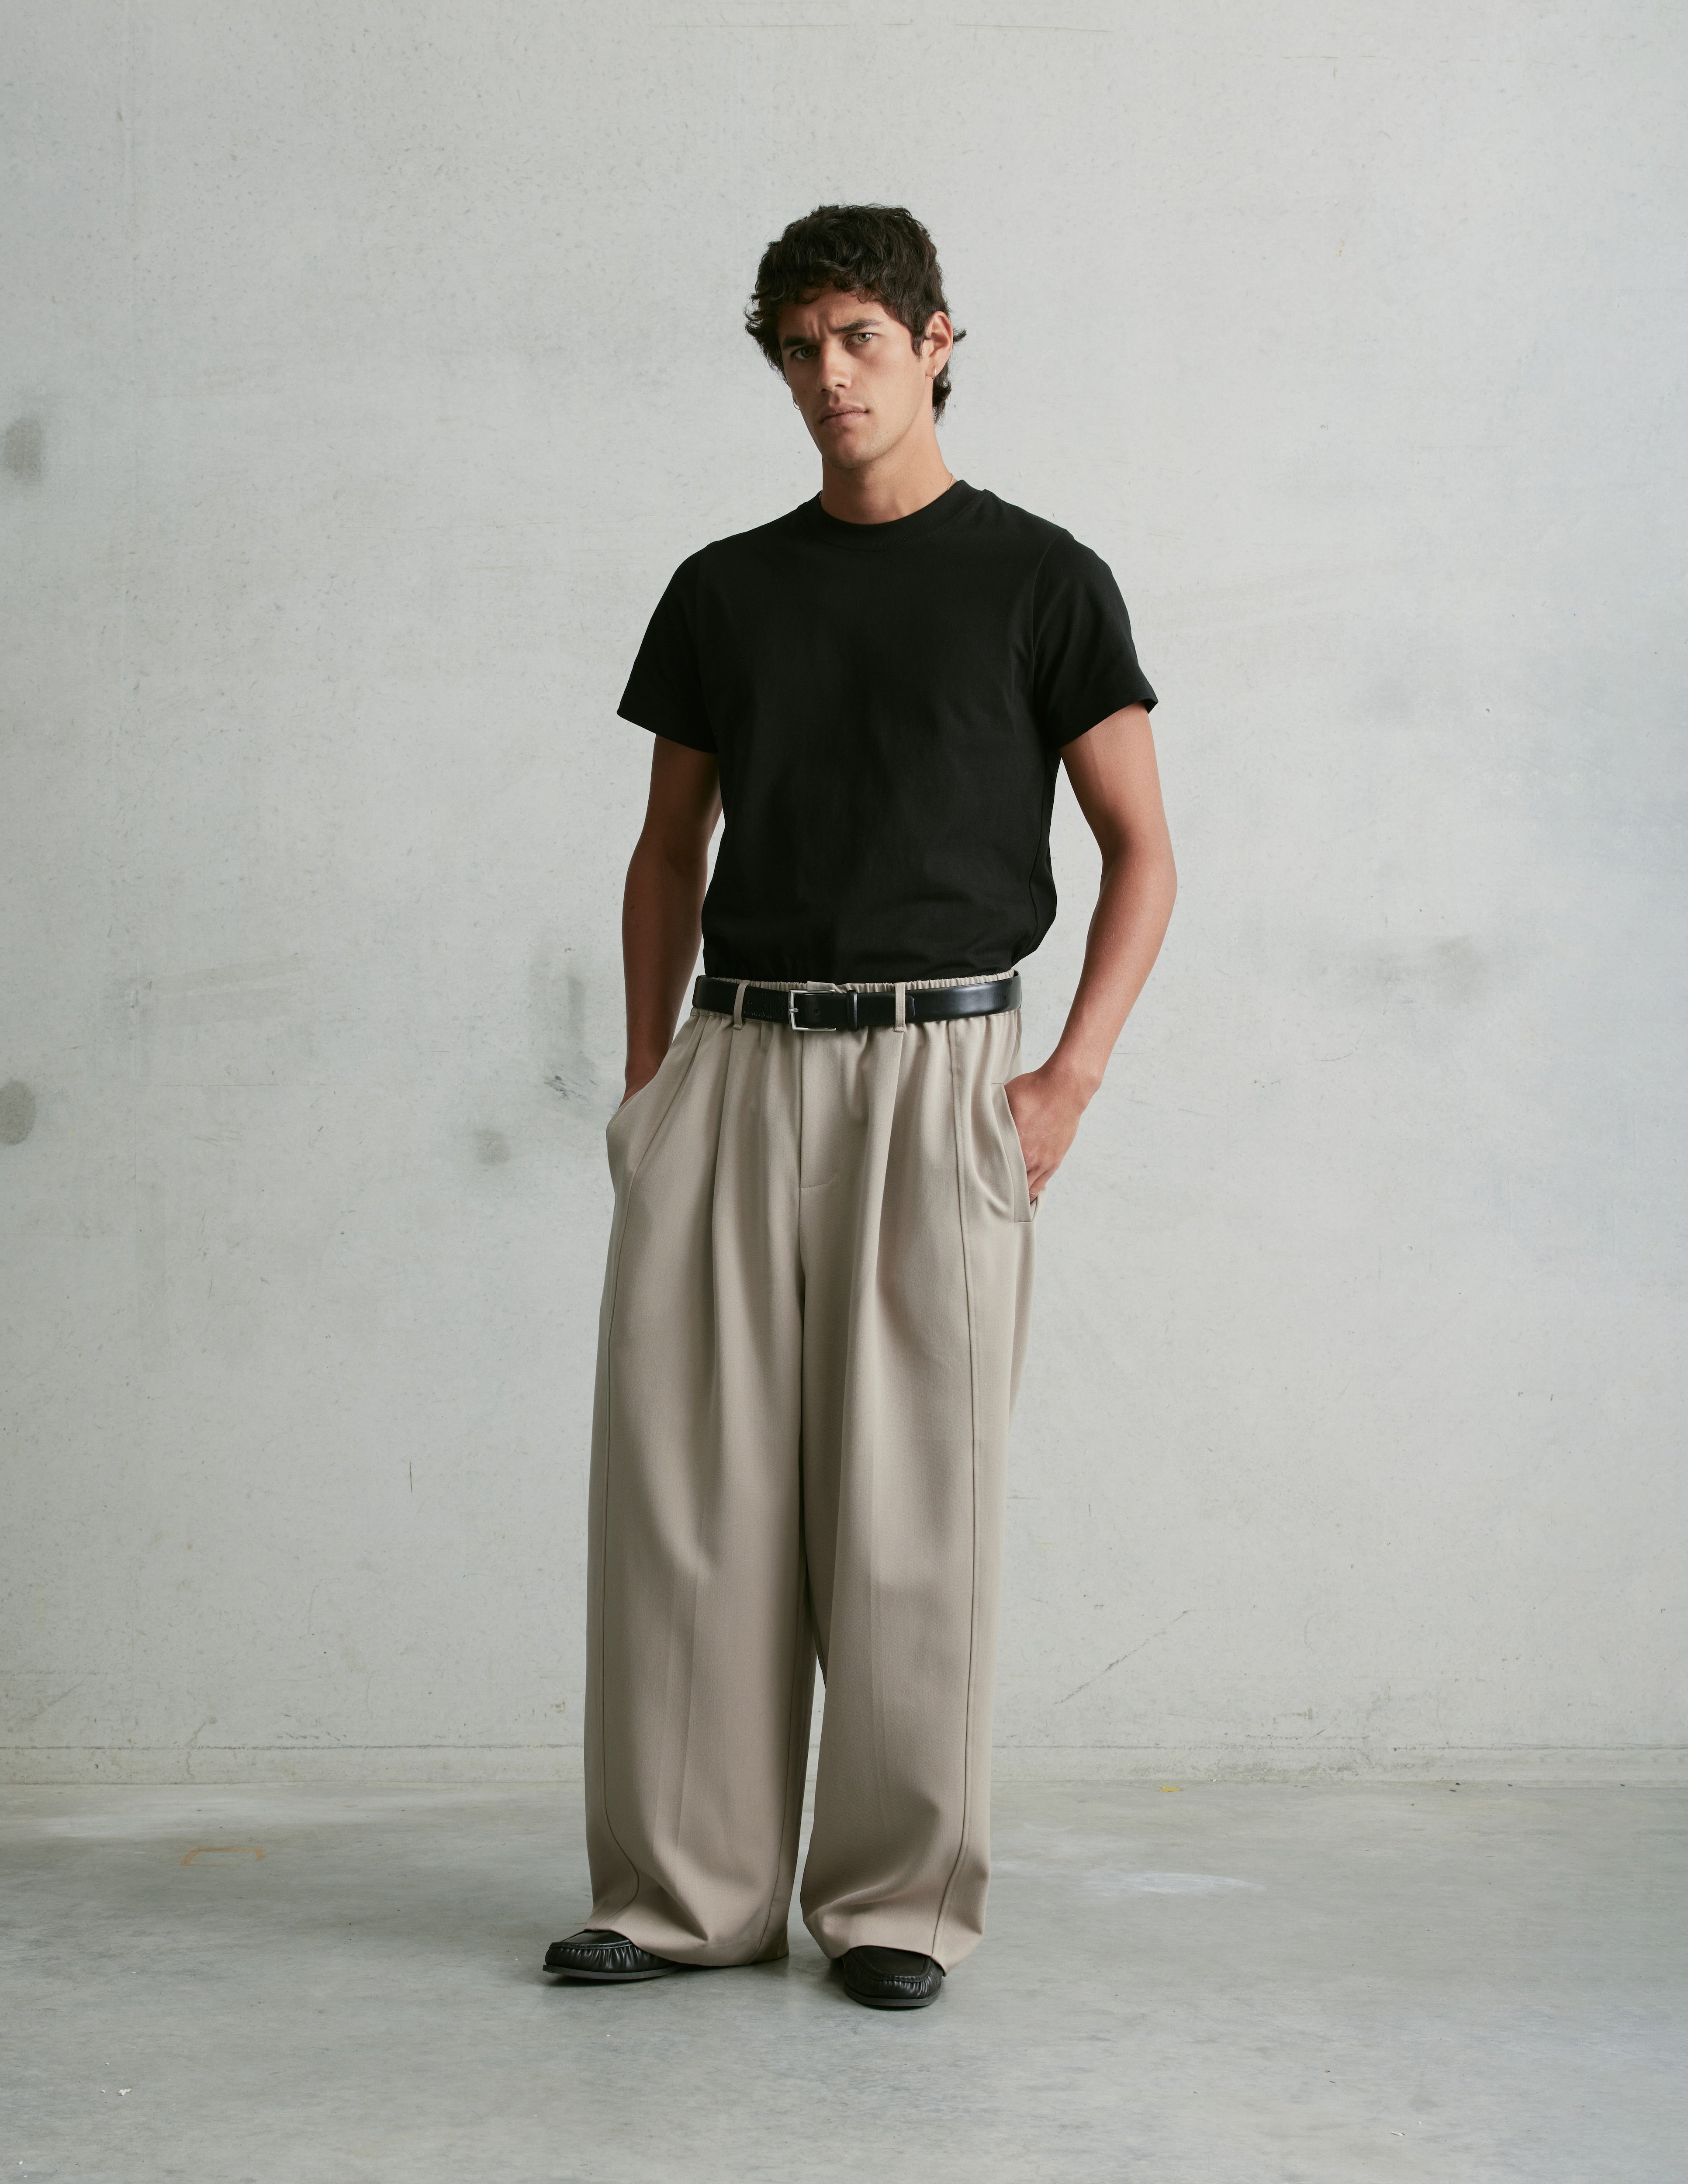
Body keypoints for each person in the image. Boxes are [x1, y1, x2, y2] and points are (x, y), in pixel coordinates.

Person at [545, 204, 1176, 2011]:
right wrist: (650, 1082)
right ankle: (684, 1893)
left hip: (946, 1073)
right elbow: (666, 848)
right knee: (690, 1490)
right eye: (801, 347)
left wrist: (1067, 1080)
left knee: (913, 1506)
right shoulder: (725, 590)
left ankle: (898, 1903)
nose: (830, 376)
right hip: (736, 1064)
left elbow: (1143, 851)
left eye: (861, 341)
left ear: (936, 342)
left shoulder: (1043, 580)